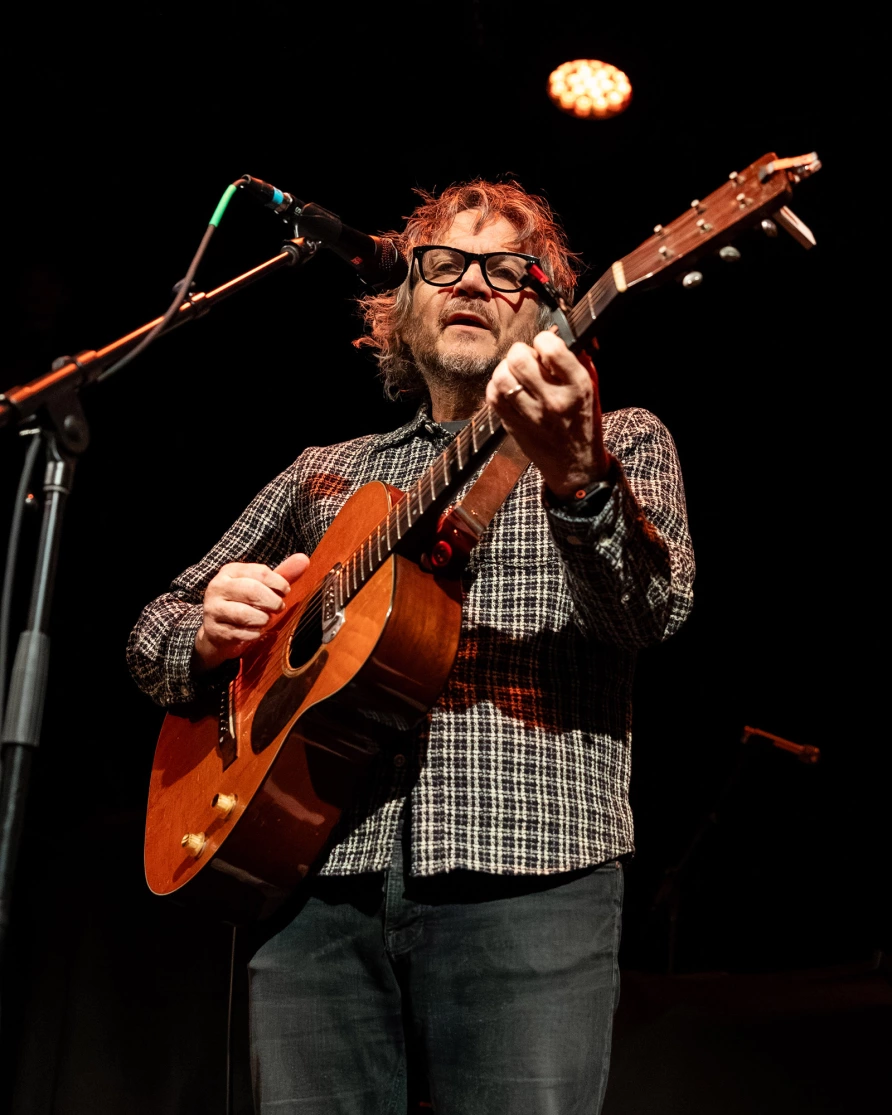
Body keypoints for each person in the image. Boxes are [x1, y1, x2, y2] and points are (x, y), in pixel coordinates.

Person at [126, 180, 695, 1115]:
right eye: (444, 263)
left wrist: (581, 479)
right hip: (310, 883)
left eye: (506, 270)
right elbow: (153, 628)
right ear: (400, 302)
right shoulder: (324, 471)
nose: (472, 281)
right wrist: (205, 629)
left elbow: (653, 613)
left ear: (548, 312)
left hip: (528, 873)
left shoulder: (617, 439)